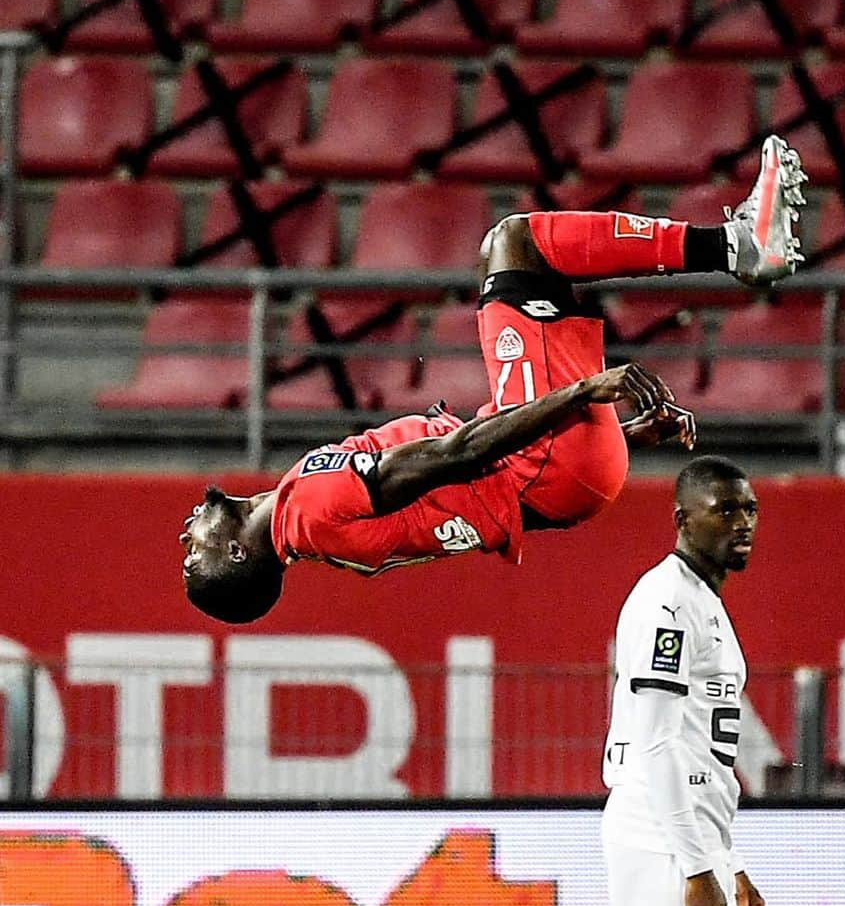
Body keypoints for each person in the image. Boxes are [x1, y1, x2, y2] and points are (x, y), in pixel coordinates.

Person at [180, 137, 807, 624]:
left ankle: (734, 247)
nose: (186, 539)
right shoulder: (313, 512)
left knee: (529, 267)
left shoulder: (314, 525)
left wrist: (620, 440)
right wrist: (582, 398)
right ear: (236, 555)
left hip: (557, 479)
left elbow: (486, 506)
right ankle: (734, 246)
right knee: (516, 242)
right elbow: (462, 453)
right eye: (193, 556)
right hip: (543, 461)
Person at [601, 455, 769, 906]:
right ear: (682, 519)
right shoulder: (665, 603)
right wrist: (699, 867)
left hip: (692, 834)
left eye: (749, 508)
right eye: (724, 509)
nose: (742, 522)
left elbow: (699, 747)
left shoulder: (701, 599)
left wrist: (729, 860)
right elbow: (660, 742)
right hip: (659, 830)